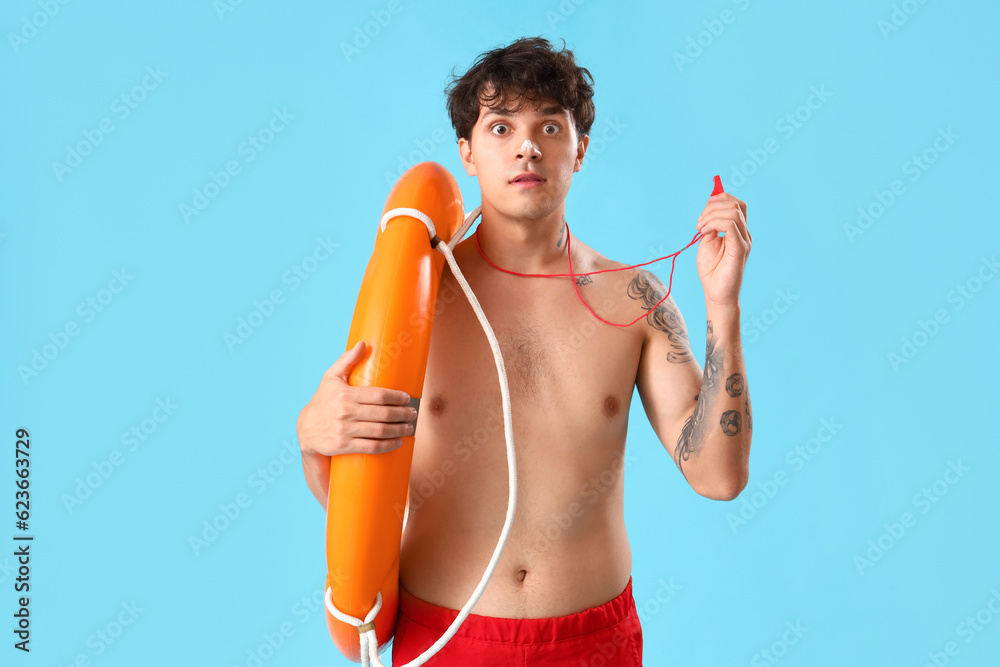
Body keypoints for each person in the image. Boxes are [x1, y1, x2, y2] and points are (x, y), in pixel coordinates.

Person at [297, 36, 753, 666]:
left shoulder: (637, 300)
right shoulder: (415, 304)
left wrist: (722, 307)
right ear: (468, 152)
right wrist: (313, 440)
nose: (527, 146)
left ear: (580, 150)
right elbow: (355, 498)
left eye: (550, 125)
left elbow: (719, 476)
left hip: (593, 644)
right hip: (447, 638)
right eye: (502, 126)